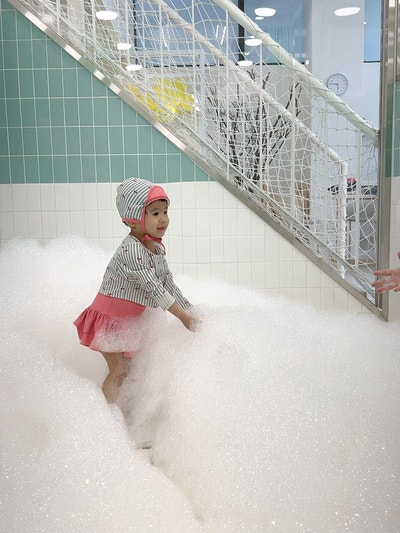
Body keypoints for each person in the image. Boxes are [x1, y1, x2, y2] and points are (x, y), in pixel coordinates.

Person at [74, 177, 198, 403]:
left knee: (130, 369)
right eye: (155, 213)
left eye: (165, 211)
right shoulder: (131, 251)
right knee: (120, 369)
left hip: (127, 320)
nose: (163, 219)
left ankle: (121, 409)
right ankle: (105, 416)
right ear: (133, 220)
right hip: (109, 319)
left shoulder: (154, 246)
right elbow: (156, 290)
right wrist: (183, 318)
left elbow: (167, 282)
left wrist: (191, 310)